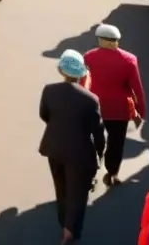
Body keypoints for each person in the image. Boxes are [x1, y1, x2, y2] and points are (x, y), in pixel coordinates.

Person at [39, 50, 105, 244]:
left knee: (61, 188)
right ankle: (70, 230)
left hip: (53, 147)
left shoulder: (49, 90)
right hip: (80, 153)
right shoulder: (90, 99)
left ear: (61, 70)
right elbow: (97, 130)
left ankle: (64, 222)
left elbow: (44, 115)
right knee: (78, 192)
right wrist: (100, 152)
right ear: (81, 73)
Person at [83, 23, 146, 187]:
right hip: (119, 109)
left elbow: (83, 82)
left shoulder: (89, 57)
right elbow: (137, 88)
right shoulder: (129, 60)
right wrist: (141, 111)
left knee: (93, 141)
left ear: (102, 40)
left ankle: (90, 173)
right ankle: (112, 173)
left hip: (95, 105)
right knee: (117, 142)